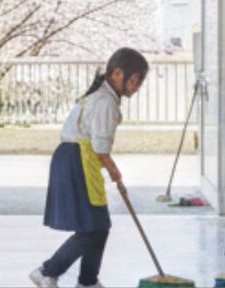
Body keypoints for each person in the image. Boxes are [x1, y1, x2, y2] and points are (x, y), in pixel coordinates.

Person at [30, 48, 149, 288]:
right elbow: (101, 148)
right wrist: (114, 170)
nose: (136, 88)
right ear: (117, 73)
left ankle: (88, 281)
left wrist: (109, 167)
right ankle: (47, 271)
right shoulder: (105, 101)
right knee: (91, 228)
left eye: (139, 83)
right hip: (77, 161)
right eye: (134, 81)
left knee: (99, 226)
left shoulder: (105, 96)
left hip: (78, 159)